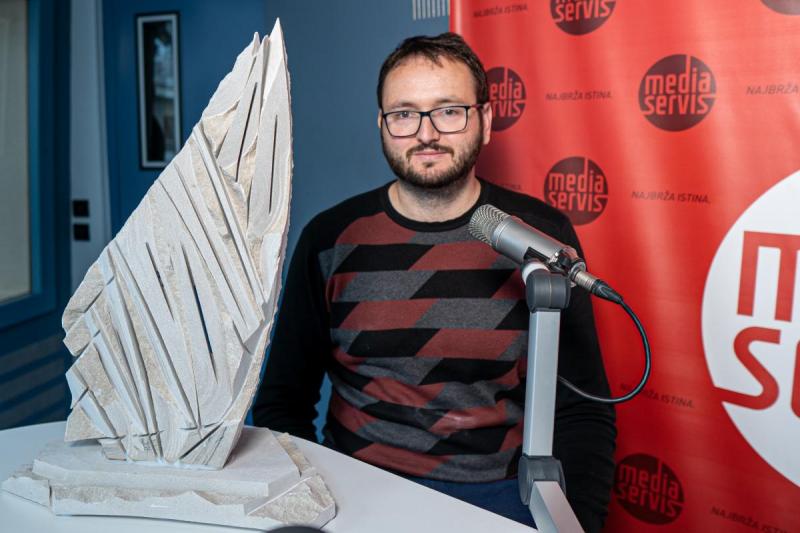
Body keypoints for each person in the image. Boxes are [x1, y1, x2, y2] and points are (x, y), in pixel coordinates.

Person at [253, 32, 616, 531]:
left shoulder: (540, 238)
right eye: (404, 114)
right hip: (353, 493)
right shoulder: (329, 238)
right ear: (382, 126)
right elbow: (282, 402)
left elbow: (582, 411)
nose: (426, 133)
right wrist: (309, 501)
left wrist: (577, 522)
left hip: (497, 500)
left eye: (449, 111)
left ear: (485, 121)